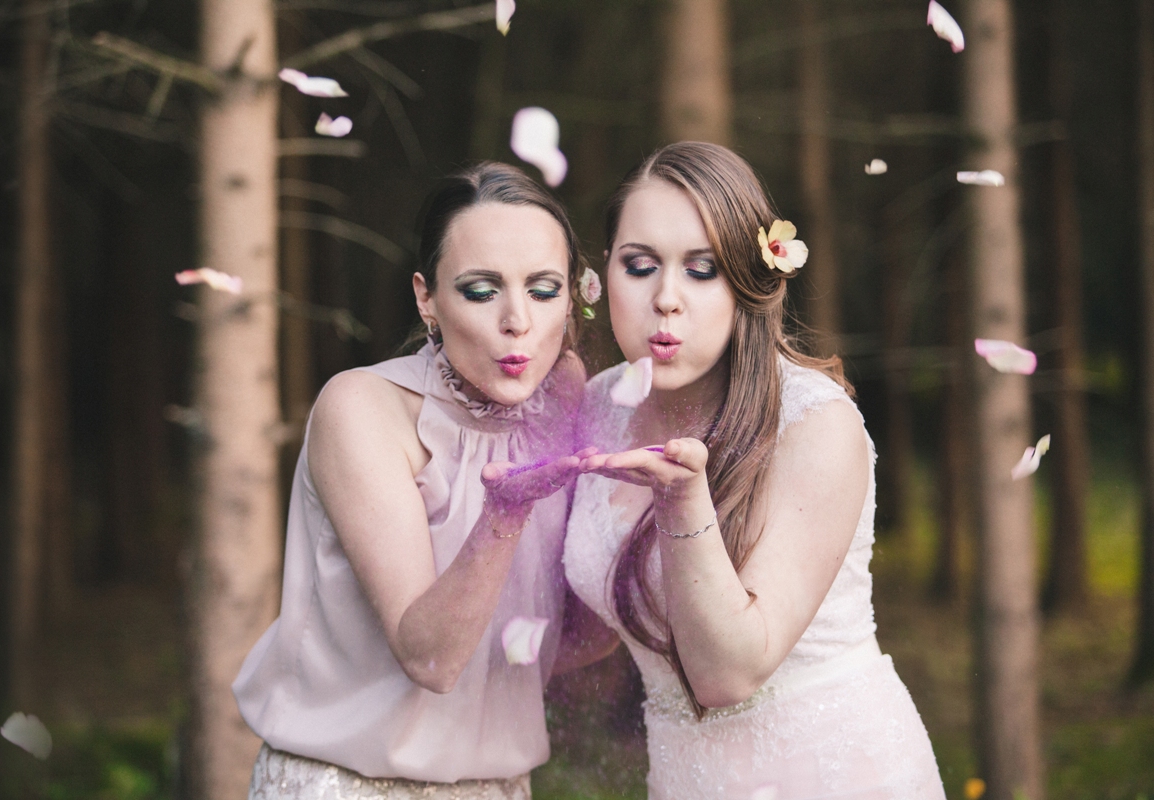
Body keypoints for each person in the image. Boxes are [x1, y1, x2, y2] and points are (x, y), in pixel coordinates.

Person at [562, 142, 945, 799]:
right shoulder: (596, 409)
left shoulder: (814, 426)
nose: (666, 298)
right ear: (604, 275)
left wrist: (684, 502)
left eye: (701, 269)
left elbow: (727, 674)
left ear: (748, 280)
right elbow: (602, 623)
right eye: (640, 265)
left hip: (836, 776)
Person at [233, 162, 592, 800]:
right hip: (349, 785)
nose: (519, 321)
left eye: (543, 289)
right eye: (482, 290)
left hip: (498, 787)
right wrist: (504, 511)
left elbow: (556, 640)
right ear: (427, 297)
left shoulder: (566, 396)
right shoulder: (362, 407)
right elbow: (431, 658)